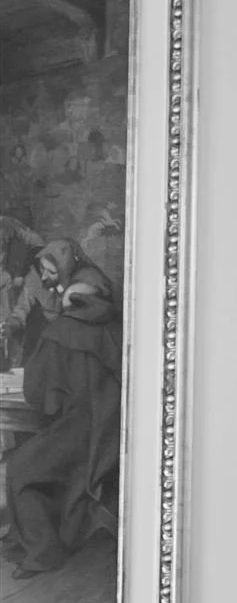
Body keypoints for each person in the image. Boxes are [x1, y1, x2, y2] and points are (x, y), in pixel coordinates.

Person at [2, 239, 121, 578]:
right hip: (109, 437)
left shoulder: (61, 331)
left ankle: (43, 552)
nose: (50, 283)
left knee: (21, 467)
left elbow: (41, 398)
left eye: (53, 275)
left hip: (81, 432)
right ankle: (31, 536)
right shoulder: (114, 328)